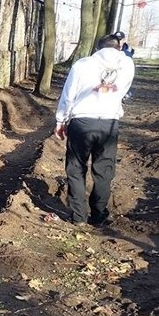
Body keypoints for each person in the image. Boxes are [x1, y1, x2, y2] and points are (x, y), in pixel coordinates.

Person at [54, 33, 135, 226]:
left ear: (97, 49)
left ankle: (79, 216)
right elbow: (124, 90)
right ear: (118, 48)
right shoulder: (127, 64)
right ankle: (99, 215)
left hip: (82, 121)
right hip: (109, 123)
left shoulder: (82, 64)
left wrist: (61, 120)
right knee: (104, 170)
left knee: (76, 168)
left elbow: (68, 94)